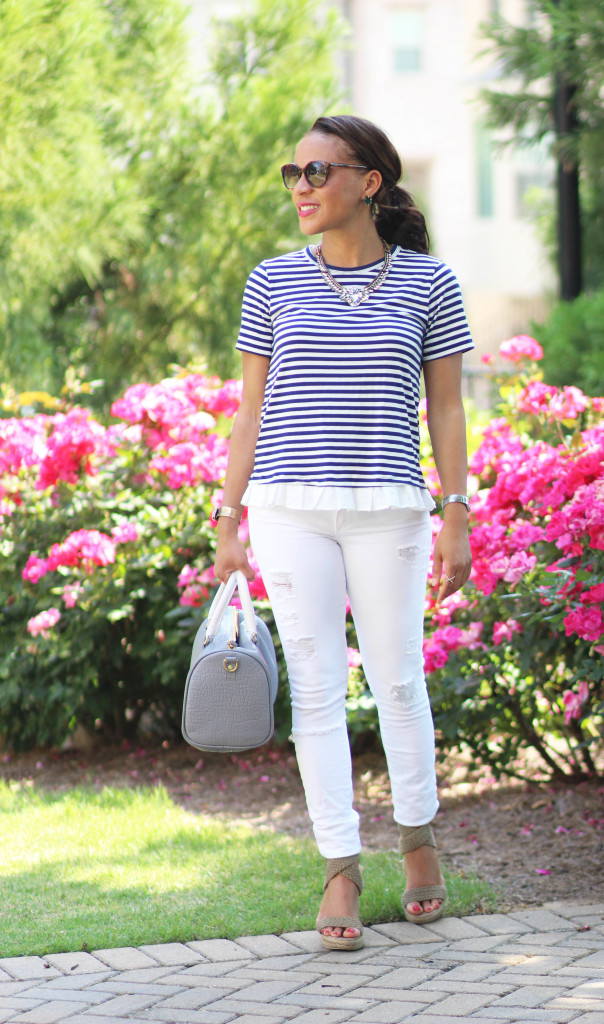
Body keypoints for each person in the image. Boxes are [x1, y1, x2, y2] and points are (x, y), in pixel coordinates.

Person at [213, 114, 473, 951]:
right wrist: (226, 520)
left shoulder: (430, 285)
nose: (300, 186)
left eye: (317, 172)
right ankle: (338, 865)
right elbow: (250, 408)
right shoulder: (271, 281)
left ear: (368, 182)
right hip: (287, 510)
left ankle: (420, 842)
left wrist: (456, 510)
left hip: (389, 508)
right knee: (318, 691)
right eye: (293, 171)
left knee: (398, 682)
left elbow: (445, 407)